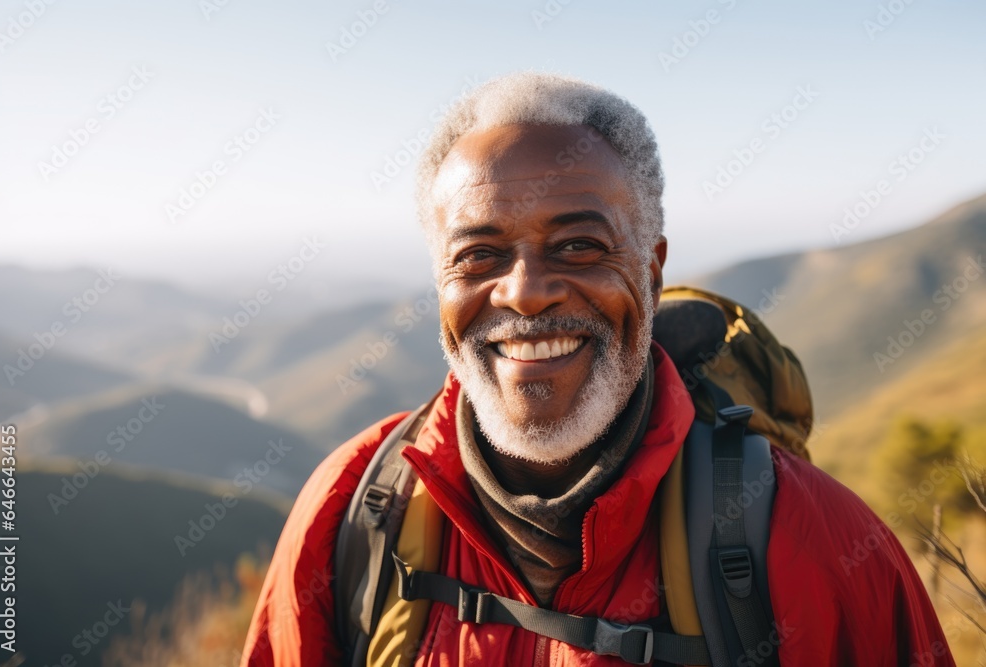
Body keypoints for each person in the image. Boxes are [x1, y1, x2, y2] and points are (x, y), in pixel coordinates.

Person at [240, 72, 955, 666]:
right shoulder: (352, 515)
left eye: (579, 245)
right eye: (478, 255)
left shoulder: (817, 543)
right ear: (440, 282)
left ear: (650, 269)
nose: (524, 291)